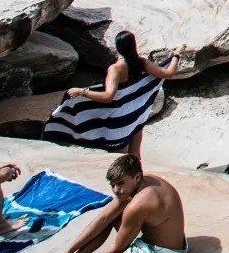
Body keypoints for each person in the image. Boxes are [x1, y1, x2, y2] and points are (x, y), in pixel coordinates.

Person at [24, 153, 187, 253]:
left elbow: (119, 247)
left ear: (137, 176)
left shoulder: (140, 204)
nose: (116, 190)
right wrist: (69, 252)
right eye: (113, 185)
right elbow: (103, 218)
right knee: (112, 216)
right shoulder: (141, 183)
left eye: (120, 184)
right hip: (157, 241)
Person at [42, 31, 185, 161]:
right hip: (136, 112)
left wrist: (83, 91)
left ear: (118, 47)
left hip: (118, 118)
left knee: (118, 159)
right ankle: (139, 177)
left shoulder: (115, 69)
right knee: (135, 156)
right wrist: (176, 54)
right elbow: (168, 73)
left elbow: (108, 96)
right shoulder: (141, 62)